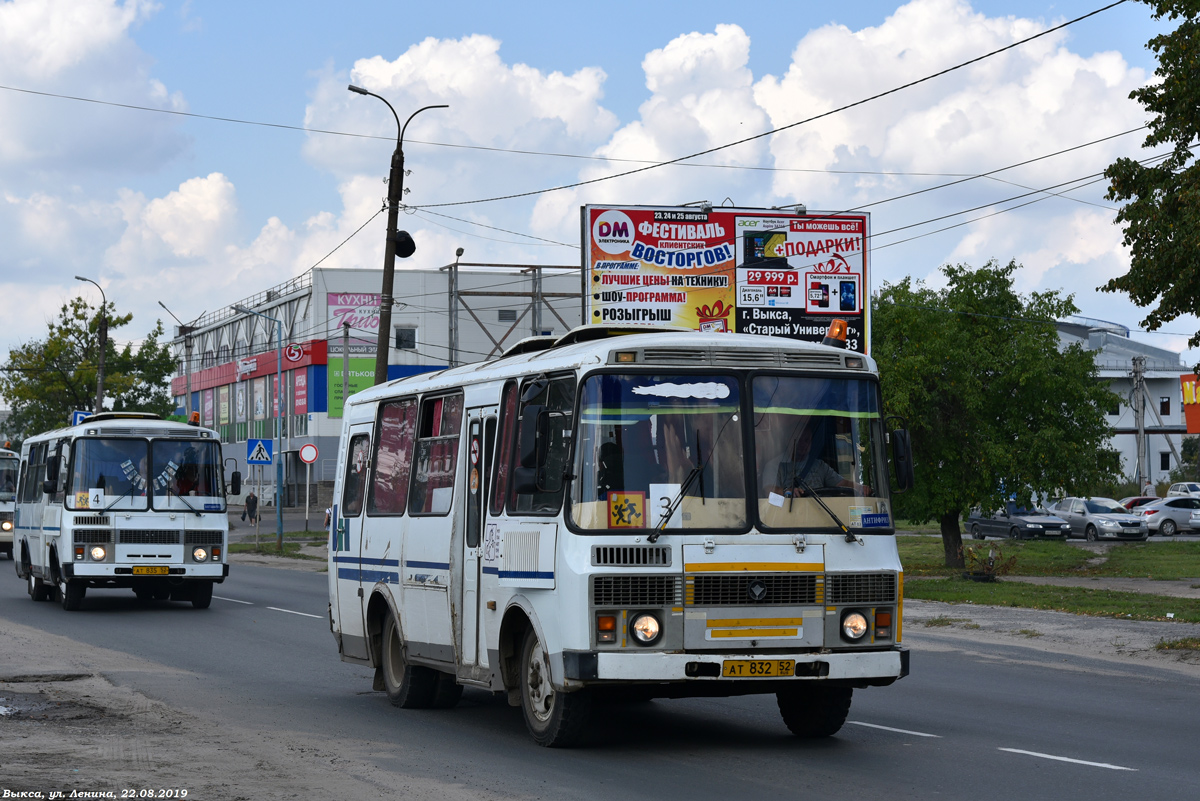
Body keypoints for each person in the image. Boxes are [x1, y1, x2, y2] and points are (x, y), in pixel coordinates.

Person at [759, 416, 870, 497]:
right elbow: (769, 491)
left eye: (807, 440)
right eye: (799, 440)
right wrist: (787, 491)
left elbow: (842, 483)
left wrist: (859, 487)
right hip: (787, 520)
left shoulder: (819, 466)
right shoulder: (774, 465)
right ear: (789, 441)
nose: (803, 444)